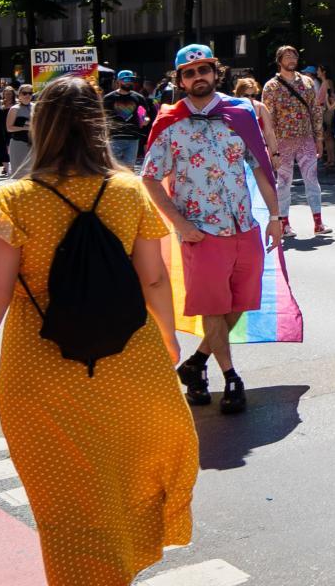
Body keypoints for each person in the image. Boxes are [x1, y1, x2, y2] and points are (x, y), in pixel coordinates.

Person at [0, 75, 200, 586]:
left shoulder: (13, 200)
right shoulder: (128, 191)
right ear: (98, 125)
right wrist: (168, 337)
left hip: (39, 372)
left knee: (65, 500)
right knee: (125, 480)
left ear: (41, 126)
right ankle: (119, 569)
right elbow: (154, 277)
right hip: (129, 360)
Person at [140, 44, 284, 416]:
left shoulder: (240, 113)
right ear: (180, 80)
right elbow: (150, 178)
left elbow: (260, 166)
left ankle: (196, 363)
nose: (197, 77)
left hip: (244, 225)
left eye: (203, 69)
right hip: (201, 233)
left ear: (215, 73)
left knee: (240, 303)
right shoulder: (170, 121)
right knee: (213, 307)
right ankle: (230, 376)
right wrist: (180, 224)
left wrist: (275, 216)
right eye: (188, 73)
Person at [262, 46, 329, 235]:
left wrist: (319, 138)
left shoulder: (307, 82)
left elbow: (315, 111)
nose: (291, 59)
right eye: (287, 56)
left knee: (312, 179)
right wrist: (271, 147)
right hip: (282, 142)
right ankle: (284, 224)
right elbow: (267, 118)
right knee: (284, 182)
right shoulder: (271, 86)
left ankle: (318, 222)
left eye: (294, 56)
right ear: (279, 60)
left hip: (306, 139)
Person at [103, 70, 152, 168]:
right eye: (125, 80)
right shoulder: (109, 98)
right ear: (118, 81)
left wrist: (146, 120)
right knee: (113, 169)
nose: (129, 82)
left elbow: (145, 115)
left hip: (133, 139)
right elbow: (103, 116)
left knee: (129, 169)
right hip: (114, 138)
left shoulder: (139, 97)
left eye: (131, 79)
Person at [7, 82, 34, 178]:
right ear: (19, 95)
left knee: (32, 174)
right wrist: (26, 127)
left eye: (30, 93)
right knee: (19, 174)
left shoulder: (35, 107)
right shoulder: (15, 109)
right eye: (24, 93)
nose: (27, 95)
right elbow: (9, 128)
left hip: (33, 144)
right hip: (18, 143)